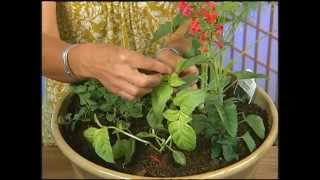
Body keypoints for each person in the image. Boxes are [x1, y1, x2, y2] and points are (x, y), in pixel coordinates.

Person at [42, 2, 198, 145]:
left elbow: (203, 13)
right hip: (79, 108)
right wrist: (86, 60)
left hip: (170, 93)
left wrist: (175, 48)